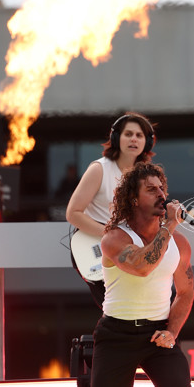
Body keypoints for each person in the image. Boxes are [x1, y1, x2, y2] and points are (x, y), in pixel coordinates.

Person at [82, 162, 194, 387]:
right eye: (151, 189)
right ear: (133, 198)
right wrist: (169, 226)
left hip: (157, 333)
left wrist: (171, 332)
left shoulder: (179, 244)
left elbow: (186, 293)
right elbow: (143, 266)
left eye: (162, 188)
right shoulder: (114, 238)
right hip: (116, 335)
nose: (162, 195)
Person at [66, 112, 156, 307]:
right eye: (128, 134)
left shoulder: (147, 177)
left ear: (147, 142)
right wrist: (110, 235)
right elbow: (73, 213)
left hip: (127, 250)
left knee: (142, 305)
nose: (134, 139)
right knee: (118, 308)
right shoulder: (99, 169)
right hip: (98, 248)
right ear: (116, 138)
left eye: (139, 135)